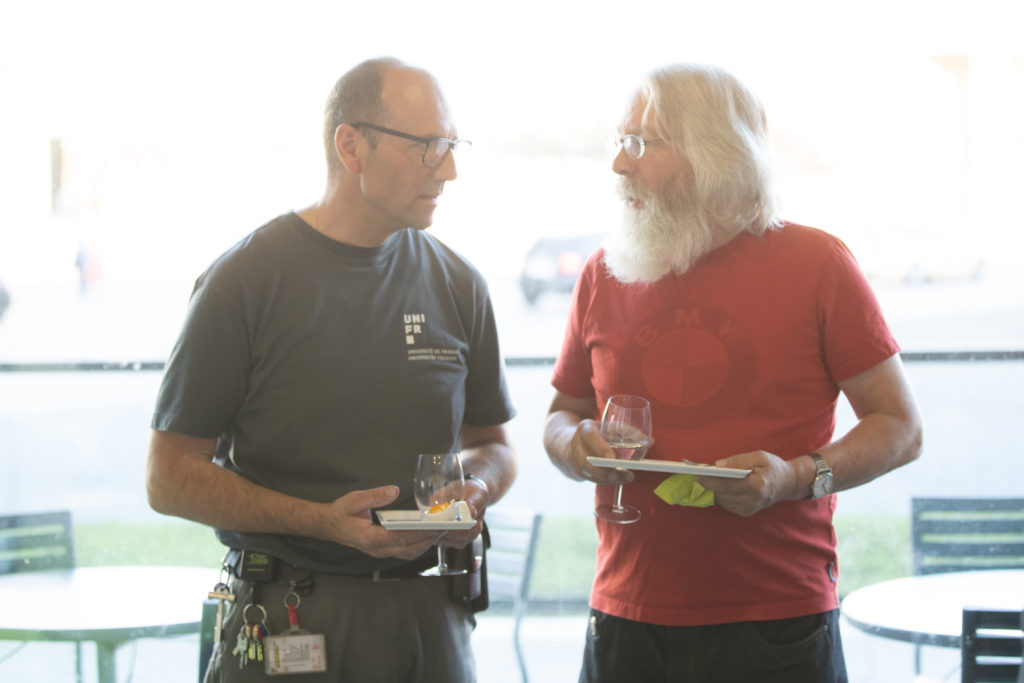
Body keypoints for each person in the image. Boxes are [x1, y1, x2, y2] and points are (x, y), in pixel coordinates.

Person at [543, 63, 923, 683]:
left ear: (714, 155)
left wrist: (796, 477)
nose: (619, 164)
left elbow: (902, 429)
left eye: (640, 143)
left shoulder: (817, 263)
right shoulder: (601, 273)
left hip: (774, 621)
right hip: (625, 613)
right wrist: (573, 447)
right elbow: (562, 415)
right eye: (618, 141)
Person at [146, 57, 517, 683]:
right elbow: (169, 477)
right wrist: (319, 522)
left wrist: (475, 491)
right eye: (428, 147)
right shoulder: (245, 281)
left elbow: (493, 447)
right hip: (293, 612)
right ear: (351, 145)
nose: (449, 169)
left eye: (450, 145)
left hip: (433, 617)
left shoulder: (459, 284)